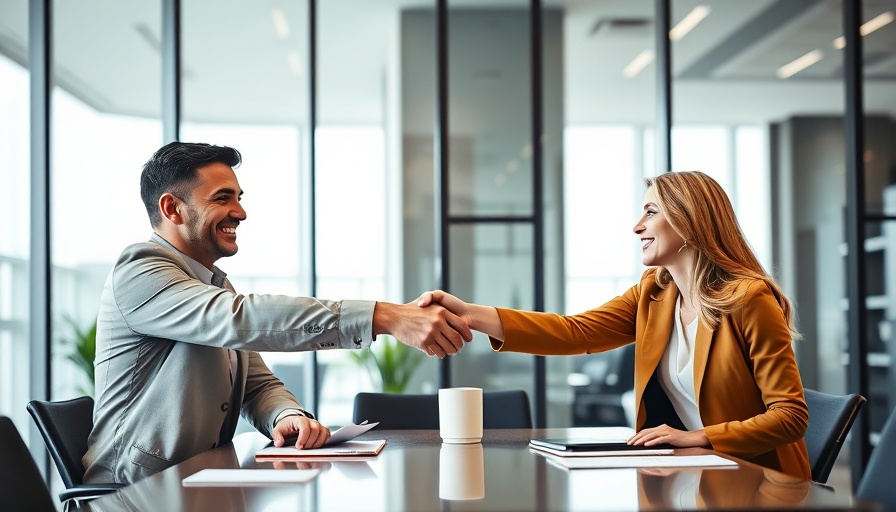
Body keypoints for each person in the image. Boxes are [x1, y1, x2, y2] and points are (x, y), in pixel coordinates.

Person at [83, 141, 471, 485]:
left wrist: (285, 415)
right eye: (222, 198)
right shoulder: (140, 269)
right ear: (173, 208)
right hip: (133, 494)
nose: (240, 212)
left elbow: (256, 384)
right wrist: (383, 316)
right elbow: (241, 319)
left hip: (198, 483)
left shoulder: (211, 285)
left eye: (238, 197)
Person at [418, 170, 812, 480]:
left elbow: (791, 416)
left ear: (690, 222)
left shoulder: (749, 298)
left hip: (760, 482)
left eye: (651, 212)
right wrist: (470, 314)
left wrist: (698, 437)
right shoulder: (653, 295)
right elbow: (574, 331)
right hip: (699, 474)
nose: (637, 226)